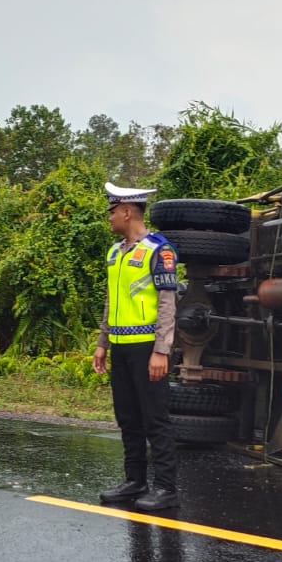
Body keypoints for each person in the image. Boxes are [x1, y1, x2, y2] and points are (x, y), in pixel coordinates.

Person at [93, 183, 181, 511]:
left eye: (113, 211)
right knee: (127, 418)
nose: (110, 217)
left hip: (147, 347)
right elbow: (110, 302)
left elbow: (167, 304)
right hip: (121, 346)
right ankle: (135, 481)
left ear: (128, 211)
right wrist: (102, 343)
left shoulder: (160, 250)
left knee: (155, 418)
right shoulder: (115, 252)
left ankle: (166, 487)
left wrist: (162, 350)